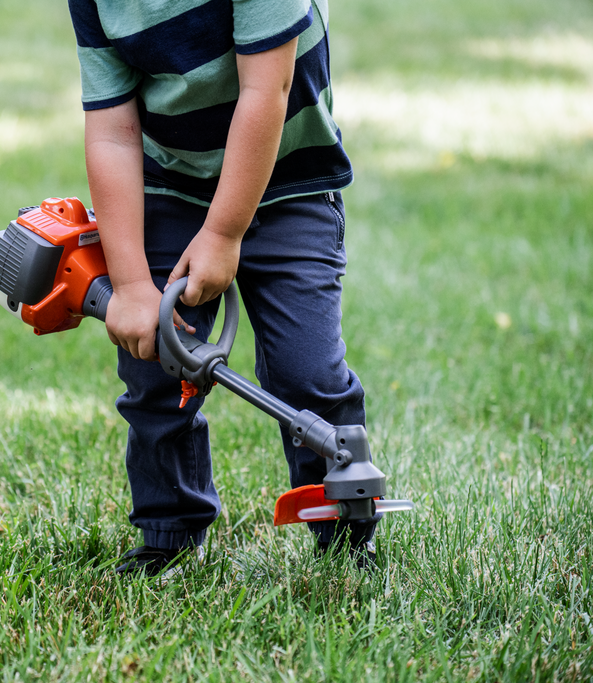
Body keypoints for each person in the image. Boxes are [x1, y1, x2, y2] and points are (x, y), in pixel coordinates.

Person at [66, 0, 381, 577]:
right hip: (173, 185)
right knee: (157, 368)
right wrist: (132, 284)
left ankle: (345, 533)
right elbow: (112, 130)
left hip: (291, 182)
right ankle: (169, 534)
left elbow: (267, 88)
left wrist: (223, 232)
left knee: (306, 374)